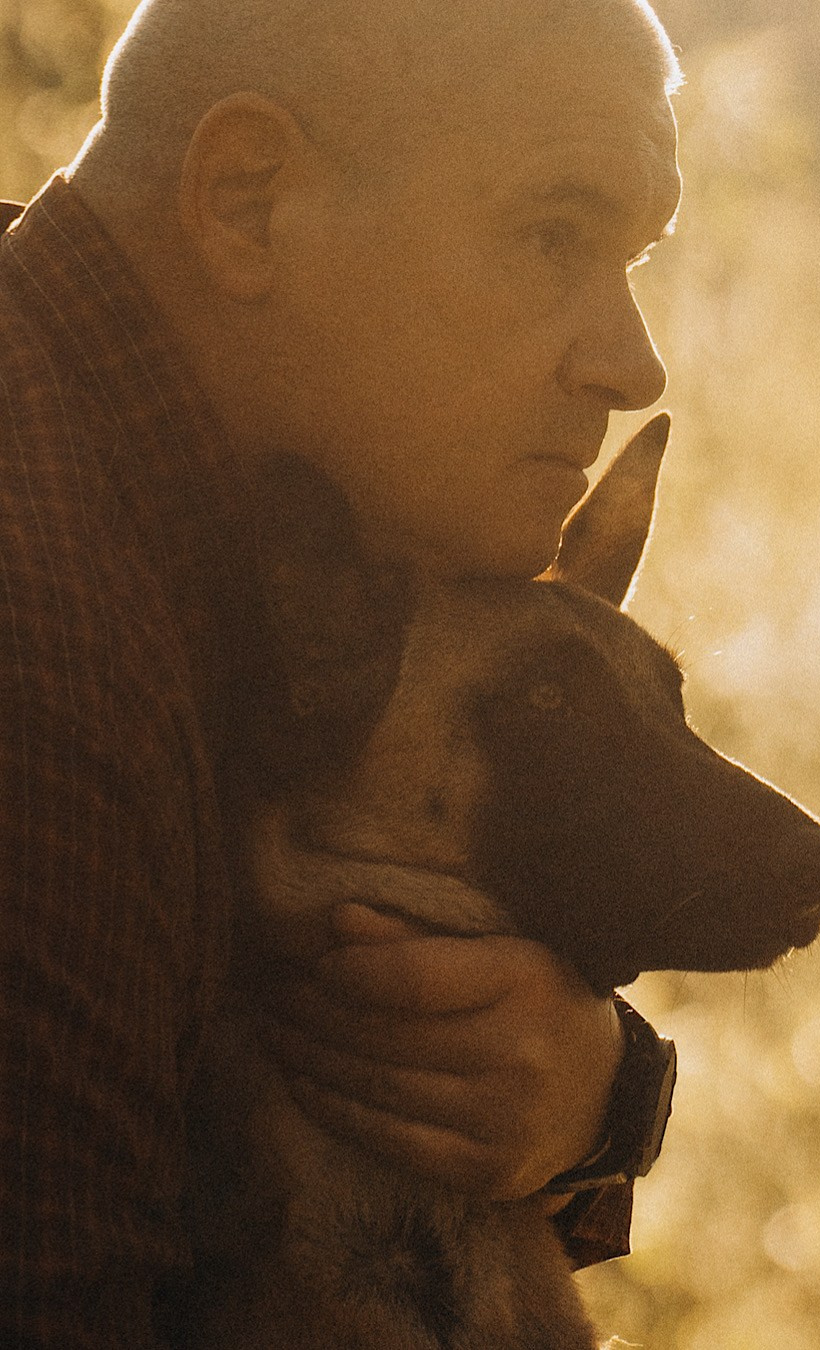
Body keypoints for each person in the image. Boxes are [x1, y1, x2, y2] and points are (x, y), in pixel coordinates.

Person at [0, 0, 683, 1345]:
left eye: (631, 259)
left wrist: (599, 1095)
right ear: (248, 203)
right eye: (555, 235)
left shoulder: (204, 549)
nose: (631, 361)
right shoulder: (42, 631)